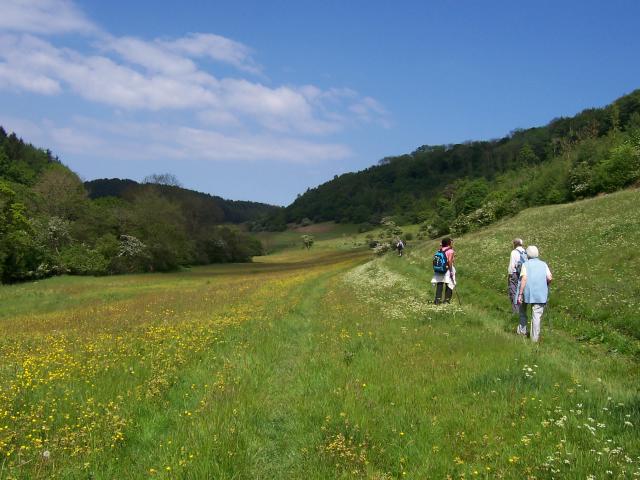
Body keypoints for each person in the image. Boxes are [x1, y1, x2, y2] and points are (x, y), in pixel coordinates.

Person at [515, 245, 552, 342]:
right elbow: (549, 278)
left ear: (528, 255)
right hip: (540, 293)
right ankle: (534, 338)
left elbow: (524, 279)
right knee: (536, 316)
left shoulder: (526, 264)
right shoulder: (544, 264)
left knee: (523, 310)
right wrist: (546, 284)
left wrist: (520, 294)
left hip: (527, 292)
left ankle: (522, 331)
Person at [508, 238, 527, 323]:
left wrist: (510, 275)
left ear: (515, 244)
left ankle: (515, 312)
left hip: (515, 274)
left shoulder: (514, 252)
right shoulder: (525, 252)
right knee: (521, 292)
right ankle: (522, 311)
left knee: (513, 291)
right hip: (523, 274)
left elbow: (512, 266)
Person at [431, 237, 455, 304]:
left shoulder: (440, 250)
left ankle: (437, 300)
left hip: (439, 270)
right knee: (449, 284)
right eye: (451, 242)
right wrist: (451, 271)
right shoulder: (451, 251)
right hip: (447, 269)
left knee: (440, 284)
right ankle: (446, 301)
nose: (452, 243)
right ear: (448, 243)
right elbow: (450, 261)